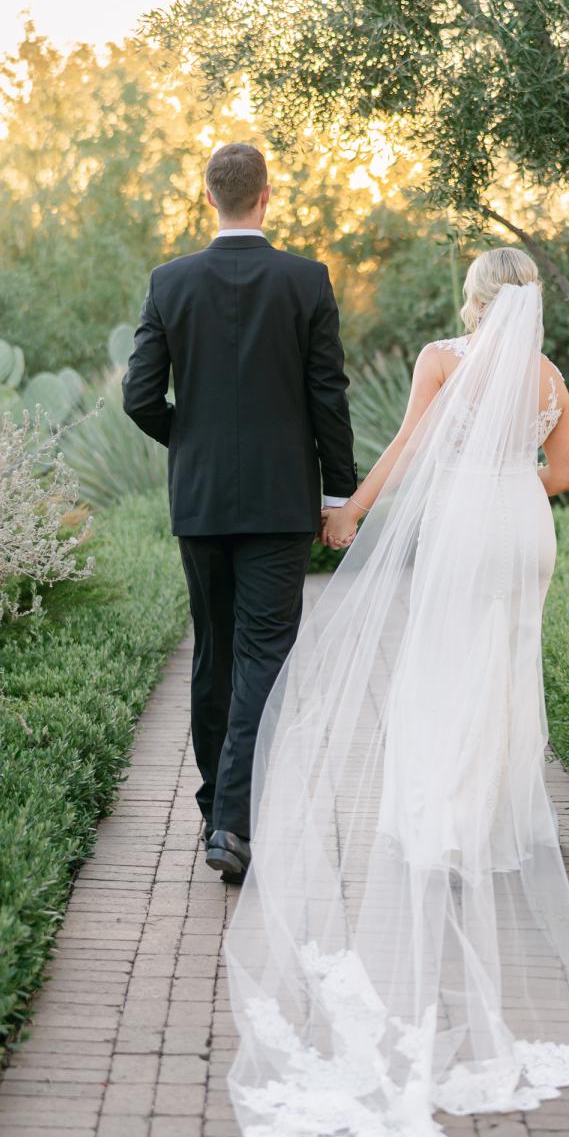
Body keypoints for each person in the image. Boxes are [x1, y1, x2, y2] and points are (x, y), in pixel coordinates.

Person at [224, 245, 569, 1137]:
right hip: (523, 527)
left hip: (461, 530)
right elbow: (564, 475)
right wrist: (509, 462)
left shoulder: (445, 358)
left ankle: (433, 816)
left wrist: (351, 508)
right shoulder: (549, 375)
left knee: (439, 666)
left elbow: (406, 452)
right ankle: (482, 818)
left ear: (476, 299)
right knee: (503, 670)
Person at [122, 142, 358, 885]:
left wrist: (188, 444)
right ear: (265, 196)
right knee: (262, 658)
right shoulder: (306, 281)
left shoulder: (170, 281)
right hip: (280, 504)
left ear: (210, 197)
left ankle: (218, 807)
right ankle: (231, 820)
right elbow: (329, 396)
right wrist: (338, 495)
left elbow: (138, 398)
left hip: (200, 504)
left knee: (215, 654)